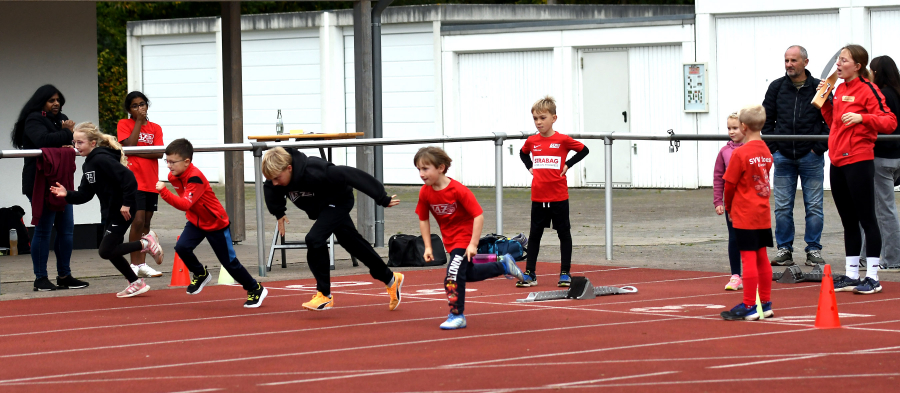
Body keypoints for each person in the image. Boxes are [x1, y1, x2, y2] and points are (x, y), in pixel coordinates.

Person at [261, 147, 404, 311]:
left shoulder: (315, 170)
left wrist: (382, 198)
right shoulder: (277, 178)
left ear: (289, 168)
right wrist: (279, 212)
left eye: (277, 178)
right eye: (271, 179)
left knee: (314, 239)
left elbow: (351, 175)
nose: (275, 183)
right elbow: (270, 188)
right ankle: (391, 279)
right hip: (323, 207)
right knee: (351, 242)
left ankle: (324, 294)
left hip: (339, 201)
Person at [414, 146, 529, 330]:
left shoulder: (458, 190)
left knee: (452, 276)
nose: (421, 174)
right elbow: (423, 219)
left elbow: (478, 216)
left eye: (425, 169)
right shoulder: (425, 192)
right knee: (467, 274)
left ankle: (457, 315)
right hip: (450, 242)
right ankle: (503, 266)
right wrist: (428, 246)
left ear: (441, 168)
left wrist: (473, 244)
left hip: (464, 239)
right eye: (418, 169)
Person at [49, 122, 164, 298]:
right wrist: (67, 194)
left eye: (80, 142)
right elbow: (85, 194)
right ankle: (135, 282)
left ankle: (146, 243)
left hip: (123, 210)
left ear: (93, 143)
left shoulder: (101, 159)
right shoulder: (88, 164)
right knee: (111, 250)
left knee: (106, 250)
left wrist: (126, 204)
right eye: (74, 142)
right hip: (111, 211)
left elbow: (129, 178)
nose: (76, 146)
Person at [819, 45, 898, 294]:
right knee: (848, 221)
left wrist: (863, 118)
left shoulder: (869, 89)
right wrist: (824, 103)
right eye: (838, 60)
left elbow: (890, 122)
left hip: (859, 160)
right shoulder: (840, 89)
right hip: (837, 161)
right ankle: (852, 274)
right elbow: (835, 123)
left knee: (867, 218)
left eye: (843, 60)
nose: (838, 64)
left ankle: (873, 277)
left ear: (857, 66)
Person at [156, 139, 266, 307]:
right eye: (167, 161)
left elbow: (185, 203)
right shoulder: (174, 176)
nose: (168, 166)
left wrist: (164, 192)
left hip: (215, 223)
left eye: (172, 162)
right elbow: (188, 203)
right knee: (182, 247)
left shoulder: (195, 178)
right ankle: (201, 274)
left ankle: (255, 288)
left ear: (186, 162)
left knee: (229, 263)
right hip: (196, 221)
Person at [10, 84, 88, 292]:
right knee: (44, 231)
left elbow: (68, 143)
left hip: (62, 182)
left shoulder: (62, 119)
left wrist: (66, 139)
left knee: (66, 230)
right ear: (41, 101)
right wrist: (66, 132)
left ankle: (64, 275)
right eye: (51, 100)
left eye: (58, 100)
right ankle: (40, 278)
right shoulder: (34, 119)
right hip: (40, 182)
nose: (56, 103)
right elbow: (43, 141)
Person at [762, 45, 829, 267]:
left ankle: (813, 250)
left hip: (811, 157)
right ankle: (784, 249)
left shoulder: (819, 88)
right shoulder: (776, 87)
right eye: (786, 60)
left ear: (805, 62)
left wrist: (818, 148)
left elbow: (830, 121)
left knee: (814, 206)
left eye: (793, 60)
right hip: (782, 157)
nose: (789, 64)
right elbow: (765, 120)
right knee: (782, 207)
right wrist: (774, 148)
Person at [517, 95, 589, 287]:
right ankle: (530, 273)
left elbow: (584, 150)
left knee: (564, 234)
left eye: (543, 118)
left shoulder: (563, 140)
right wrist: (530, 167)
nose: (538, 122)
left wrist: (568, 164)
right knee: (535, 235)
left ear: (553, 118)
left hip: (558, 197)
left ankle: (565, 273)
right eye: (535, 118)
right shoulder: (532, 141)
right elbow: (523, 153)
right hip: (538, 197)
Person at [720, 105, 775, 321]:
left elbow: (729, 185)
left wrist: (728, 207)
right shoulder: (766, 151)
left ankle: (750, 304)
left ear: (743, 127)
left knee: (748, 258)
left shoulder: (740, 153)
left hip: (744, 212)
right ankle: (766, 303)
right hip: (762, 211)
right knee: (762, 256)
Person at [118, 91, 164, 279]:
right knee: (137, 221)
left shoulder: (155, 127)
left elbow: (159, 153)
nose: (140, 108)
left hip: (151, 180)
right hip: (134, 181)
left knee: (146, 222)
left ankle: (143, 264)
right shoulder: (124, 124)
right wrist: (138, 122)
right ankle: (134, 264)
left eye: (142, 104)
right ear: (129, 110)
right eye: (135, 106)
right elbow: (129, 146)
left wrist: (135, 152)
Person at [859, 56, 900, 270]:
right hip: (895, 157)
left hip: (881, 157)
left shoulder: (882, 95)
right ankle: (866, 254)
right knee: (874, 208)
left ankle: (893, 258)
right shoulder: (897, 93)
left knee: (884, 210)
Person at [713, 112, 745, 291]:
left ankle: (751, 273)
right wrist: (718, 200)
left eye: (735, 128)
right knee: (734, 238)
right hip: (731, 203)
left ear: (745, 128)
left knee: (751, 239)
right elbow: (718, 177)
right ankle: (735, 275)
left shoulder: (752, 149)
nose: (731, 132)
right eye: (729, 128)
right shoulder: (724, 152)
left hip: (750, 203)